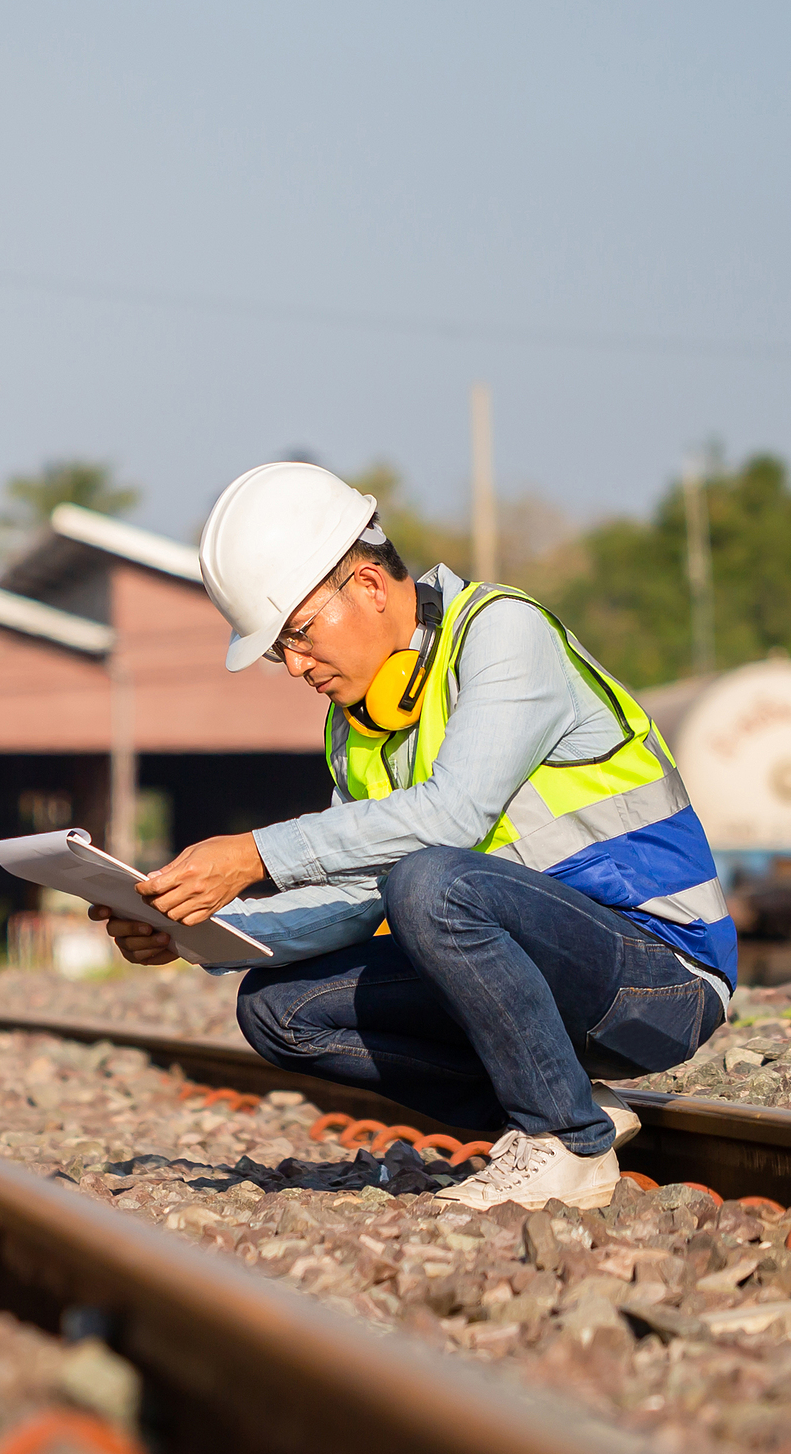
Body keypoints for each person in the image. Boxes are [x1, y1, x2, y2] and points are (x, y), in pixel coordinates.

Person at [89, 462, 735, 1210]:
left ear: (367, 585)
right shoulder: (357, 728)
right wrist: (197, 930)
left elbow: (450, 815)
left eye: (297, 634)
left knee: (428, 882)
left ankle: (566, 1144)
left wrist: (254, 853)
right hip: (552, 985)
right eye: (278, 651)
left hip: (661, 975)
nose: (295, 665)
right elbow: (355, 899)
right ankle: (567, 1109)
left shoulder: (503, 633)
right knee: (276, 1009)